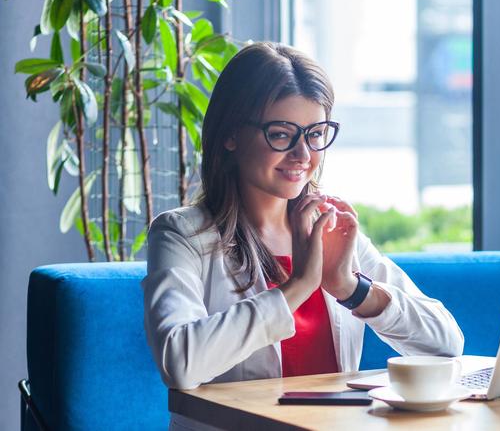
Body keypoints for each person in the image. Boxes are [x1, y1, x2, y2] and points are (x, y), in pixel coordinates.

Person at [141, 42, 464, 427]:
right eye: (281, 134)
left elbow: (446, 344)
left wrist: (350, 287)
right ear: (230, 135)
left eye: (315, 134)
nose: (303, 155)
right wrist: (298, 286)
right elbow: (180, 361)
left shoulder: (331, 230)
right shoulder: (182, 235)